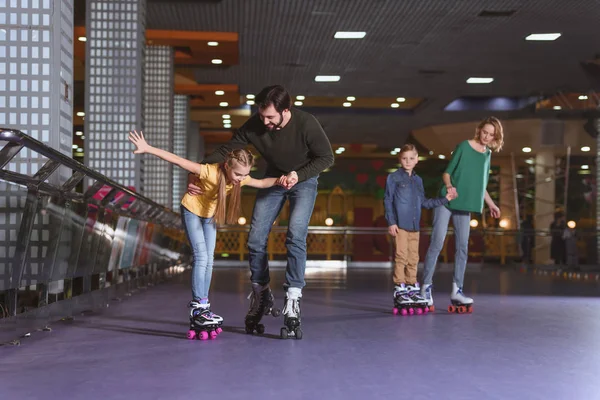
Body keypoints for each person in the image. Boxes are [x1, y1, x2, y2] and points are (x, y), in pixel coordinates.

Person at [187, 85, 334, 338]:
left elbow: (326, 157)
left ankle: (293, 299)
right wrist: (198, 172)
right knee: (255, 237)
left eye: (270, 118)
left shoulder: (306, 123)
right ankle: (261, 294)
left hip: (304, 180)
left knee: (296, 234)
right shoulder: (257, 124)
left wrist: (298, 175)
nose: (264, 122)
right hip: (273, 179)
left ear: (285, 111)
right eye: (261, 115)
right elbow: (227, 150)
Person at [127, 130, 277, 340]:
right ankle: (198, 306)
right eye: (238, 175)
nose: (241, 180)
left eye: (244, 175)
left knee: (210, 259)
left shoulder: (240, 179)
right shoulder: (210, 172)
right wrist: (148, 148)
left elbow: (262, 183)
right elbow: (179, 161)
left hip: (209, 217)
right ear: (227, 166)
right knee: (202, 256)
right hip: (191, 212)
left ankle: (204, 305)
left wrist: (284, 180)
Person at [420, 117, 504, 311]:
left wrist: (492, 204)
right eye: (485, 132)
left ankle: (457, 290)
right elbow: (447, 173)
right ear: (479, 129)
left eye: (491, 134)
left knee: (463, 247)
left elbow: (481, 185)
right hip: (447, 200)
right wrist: (450, 187)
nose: (487, 137)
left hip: (465, 205)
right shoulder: (464, 147)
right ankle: (425, 287)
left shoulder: (487, 155)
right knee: (437, 242)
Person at [384, 144, 455, 315]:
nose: (408, 161)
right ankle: (399, 288)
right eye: (404, 158)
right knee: (401, 256)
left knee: (414, 258)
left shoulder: (418, 180)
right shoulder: (393, 178)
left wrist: (444, 199)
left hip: (415, 226)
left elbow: (423, 202)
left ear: (416, 160)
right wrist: (391, 222)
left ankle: (411, 287)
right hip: (400, 225)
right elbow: (388, 201)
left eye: (411, 158)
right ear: (400, 159)